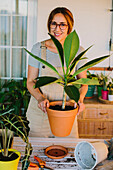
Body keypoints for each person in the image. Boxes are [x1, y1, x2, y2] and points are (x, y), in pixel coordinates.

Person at [26, 7, 88, 138]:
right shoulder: (38, 48)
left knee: (68, 152)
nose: (57, 29)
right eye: (53, 23)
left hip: (66, 111)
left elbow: (84, 83)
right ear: (49, 25)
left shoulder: (77, 51)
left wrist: (80, 99)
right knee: (36, 151)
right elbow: (30, 82)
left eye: (62, 24)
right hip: (40, 111)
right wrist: (40, 98)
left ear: (69, 27)